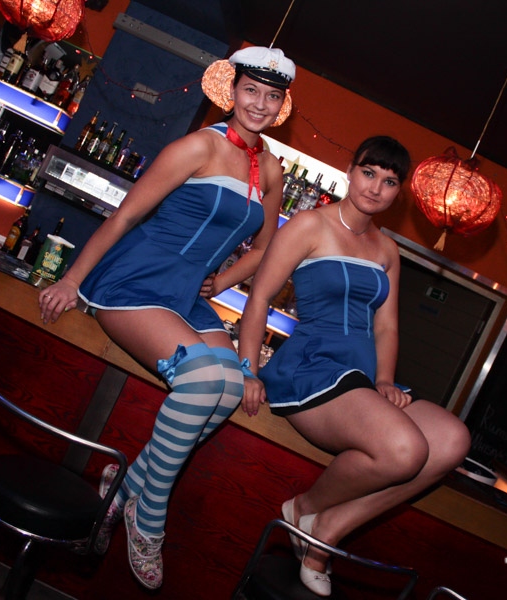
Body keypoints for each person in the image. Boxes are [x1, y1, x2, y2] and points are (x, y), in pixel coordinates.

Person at [37, 46, 296, 589]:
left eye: (272, 96)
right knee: (204, 380)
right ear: (232, 91)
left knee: (229, 387)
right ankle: (149, 517)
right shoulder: (198, 146)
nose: (259, 103)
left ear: (281, 106)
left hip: (187, 295)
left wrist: (220, 282)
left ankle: (127, 485)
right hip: (136, 279)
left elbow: (264, 251)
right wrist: (71, 281)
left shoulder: (271, 169)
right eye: (251, 90)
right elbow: (126, 215)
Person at [237, 136, 472, 596]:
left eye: (389, 181)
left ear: (398, 193)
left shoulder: (388, 251)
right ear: (350, 171)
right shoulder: (310, 224)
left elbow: (387, 327)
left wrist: (385, 380)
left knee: (451, 441)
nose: (375, 187)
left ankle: (326, 528)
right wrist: (247, 368)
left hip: (361, 379)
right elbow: (260, 297)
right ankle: (305, 508)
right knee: (405, 450)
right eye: (369, 173)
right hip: (311, 369)